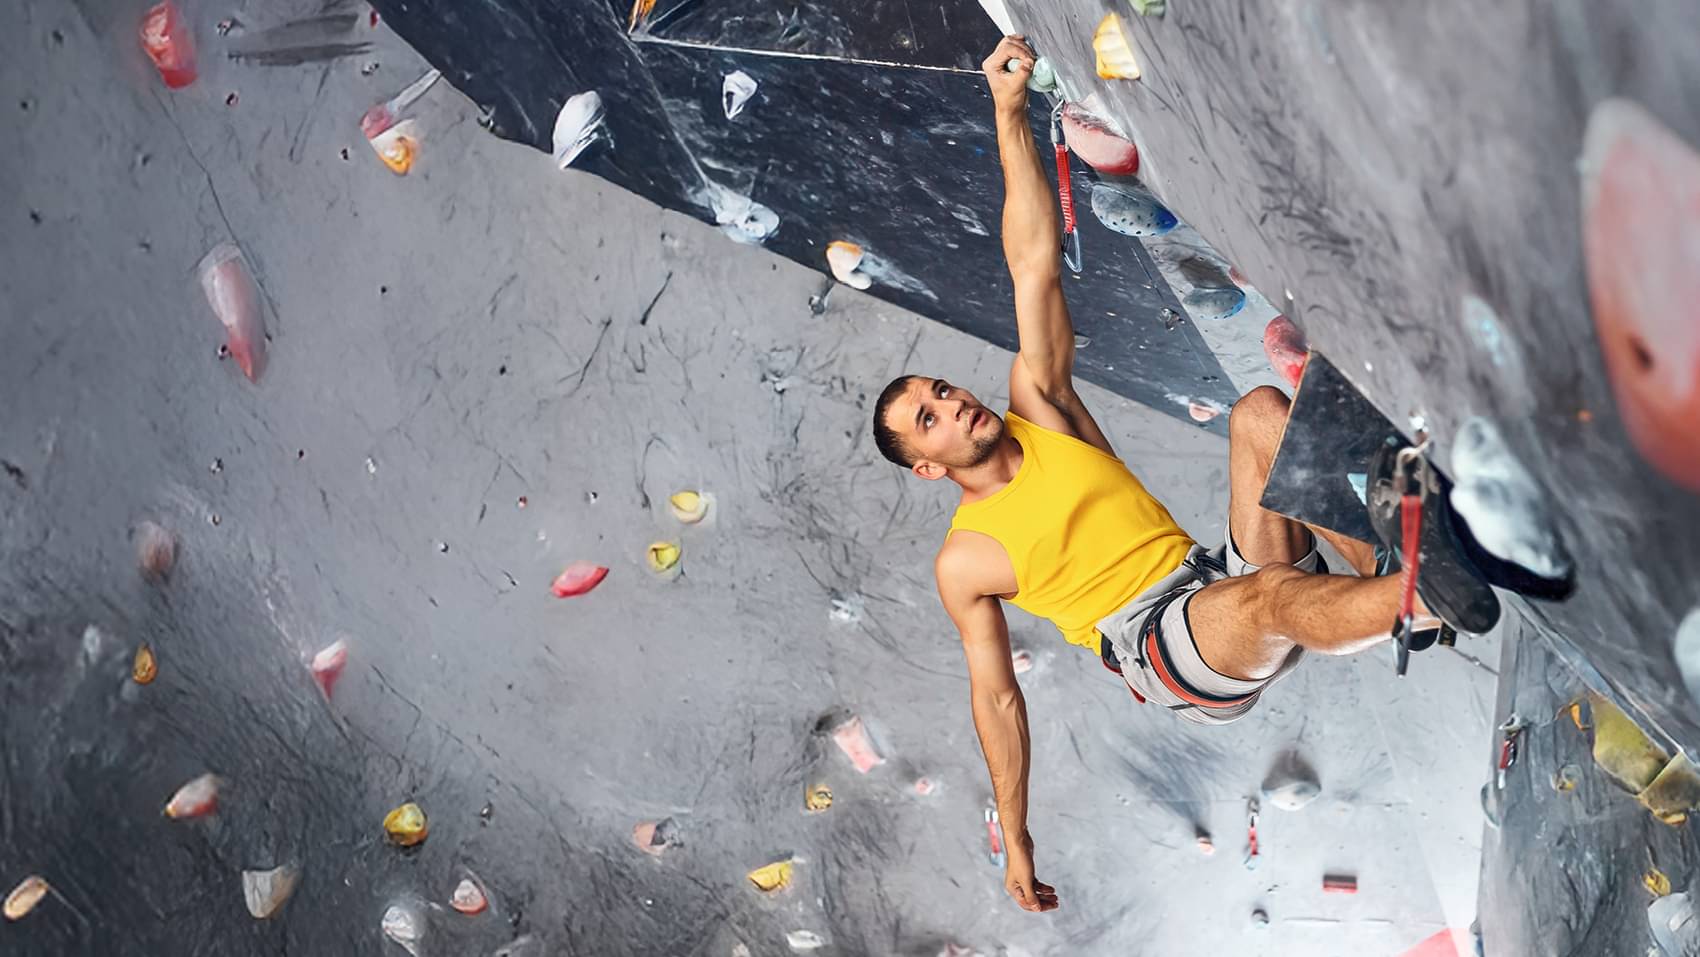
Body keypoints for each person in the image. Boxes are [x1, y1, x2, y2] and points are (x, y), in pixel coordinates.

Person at [869, 36, 1486, 914]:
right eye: (928, 419)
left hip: (1204, 578)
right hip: (1164, 656)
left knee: (1259, 417)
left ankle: (1390, 592)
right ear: (929, 466)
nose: (950, 402)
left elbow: (1031, 262)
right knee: (1271, 596)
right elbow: (998, 701)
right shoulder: (965, 560)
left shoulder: (1035, 402)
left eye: (938, 388)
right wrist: (1017, 834)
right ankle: (1420, 595)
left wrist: (1008, 114)